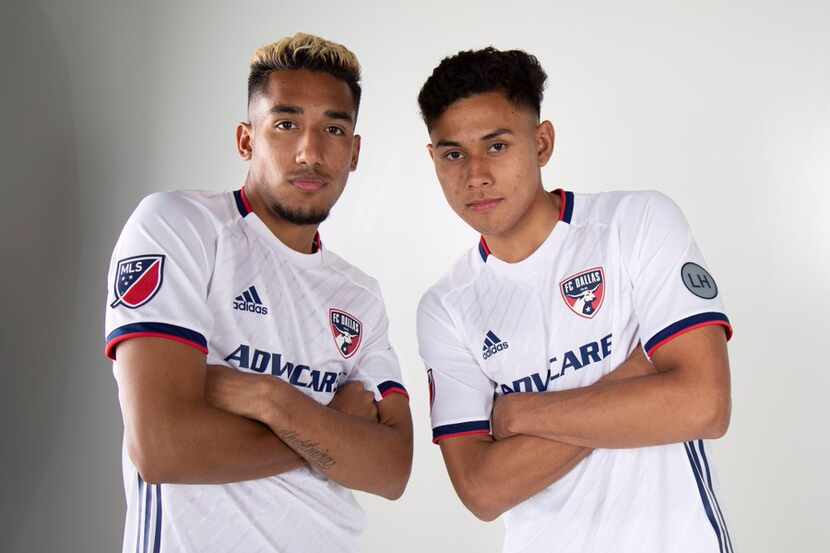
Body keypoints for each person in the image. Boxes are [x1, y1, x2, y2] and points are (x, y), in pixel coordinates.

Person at [416, 47, 734, 553]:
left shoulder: (636, 225)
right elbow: (481, 489)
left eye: (496, 146)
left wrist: (520, 415)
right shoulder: (447, 307)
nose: (474, 175)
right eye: (453, 154)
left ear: (541, 143)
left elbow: (703, 405)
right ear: (433, 160)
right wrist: (637, 375)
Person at [104, 33, 412, 553]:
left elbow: (390, 470)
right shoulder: (181, 228)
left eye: (333, 129)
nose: (309, 152)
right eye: (286, 124)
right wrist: (329, 429)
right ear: (247, 139)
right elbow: (161, 448)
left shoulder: (359, 294)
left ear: (354, 152)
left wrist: (267, 399)